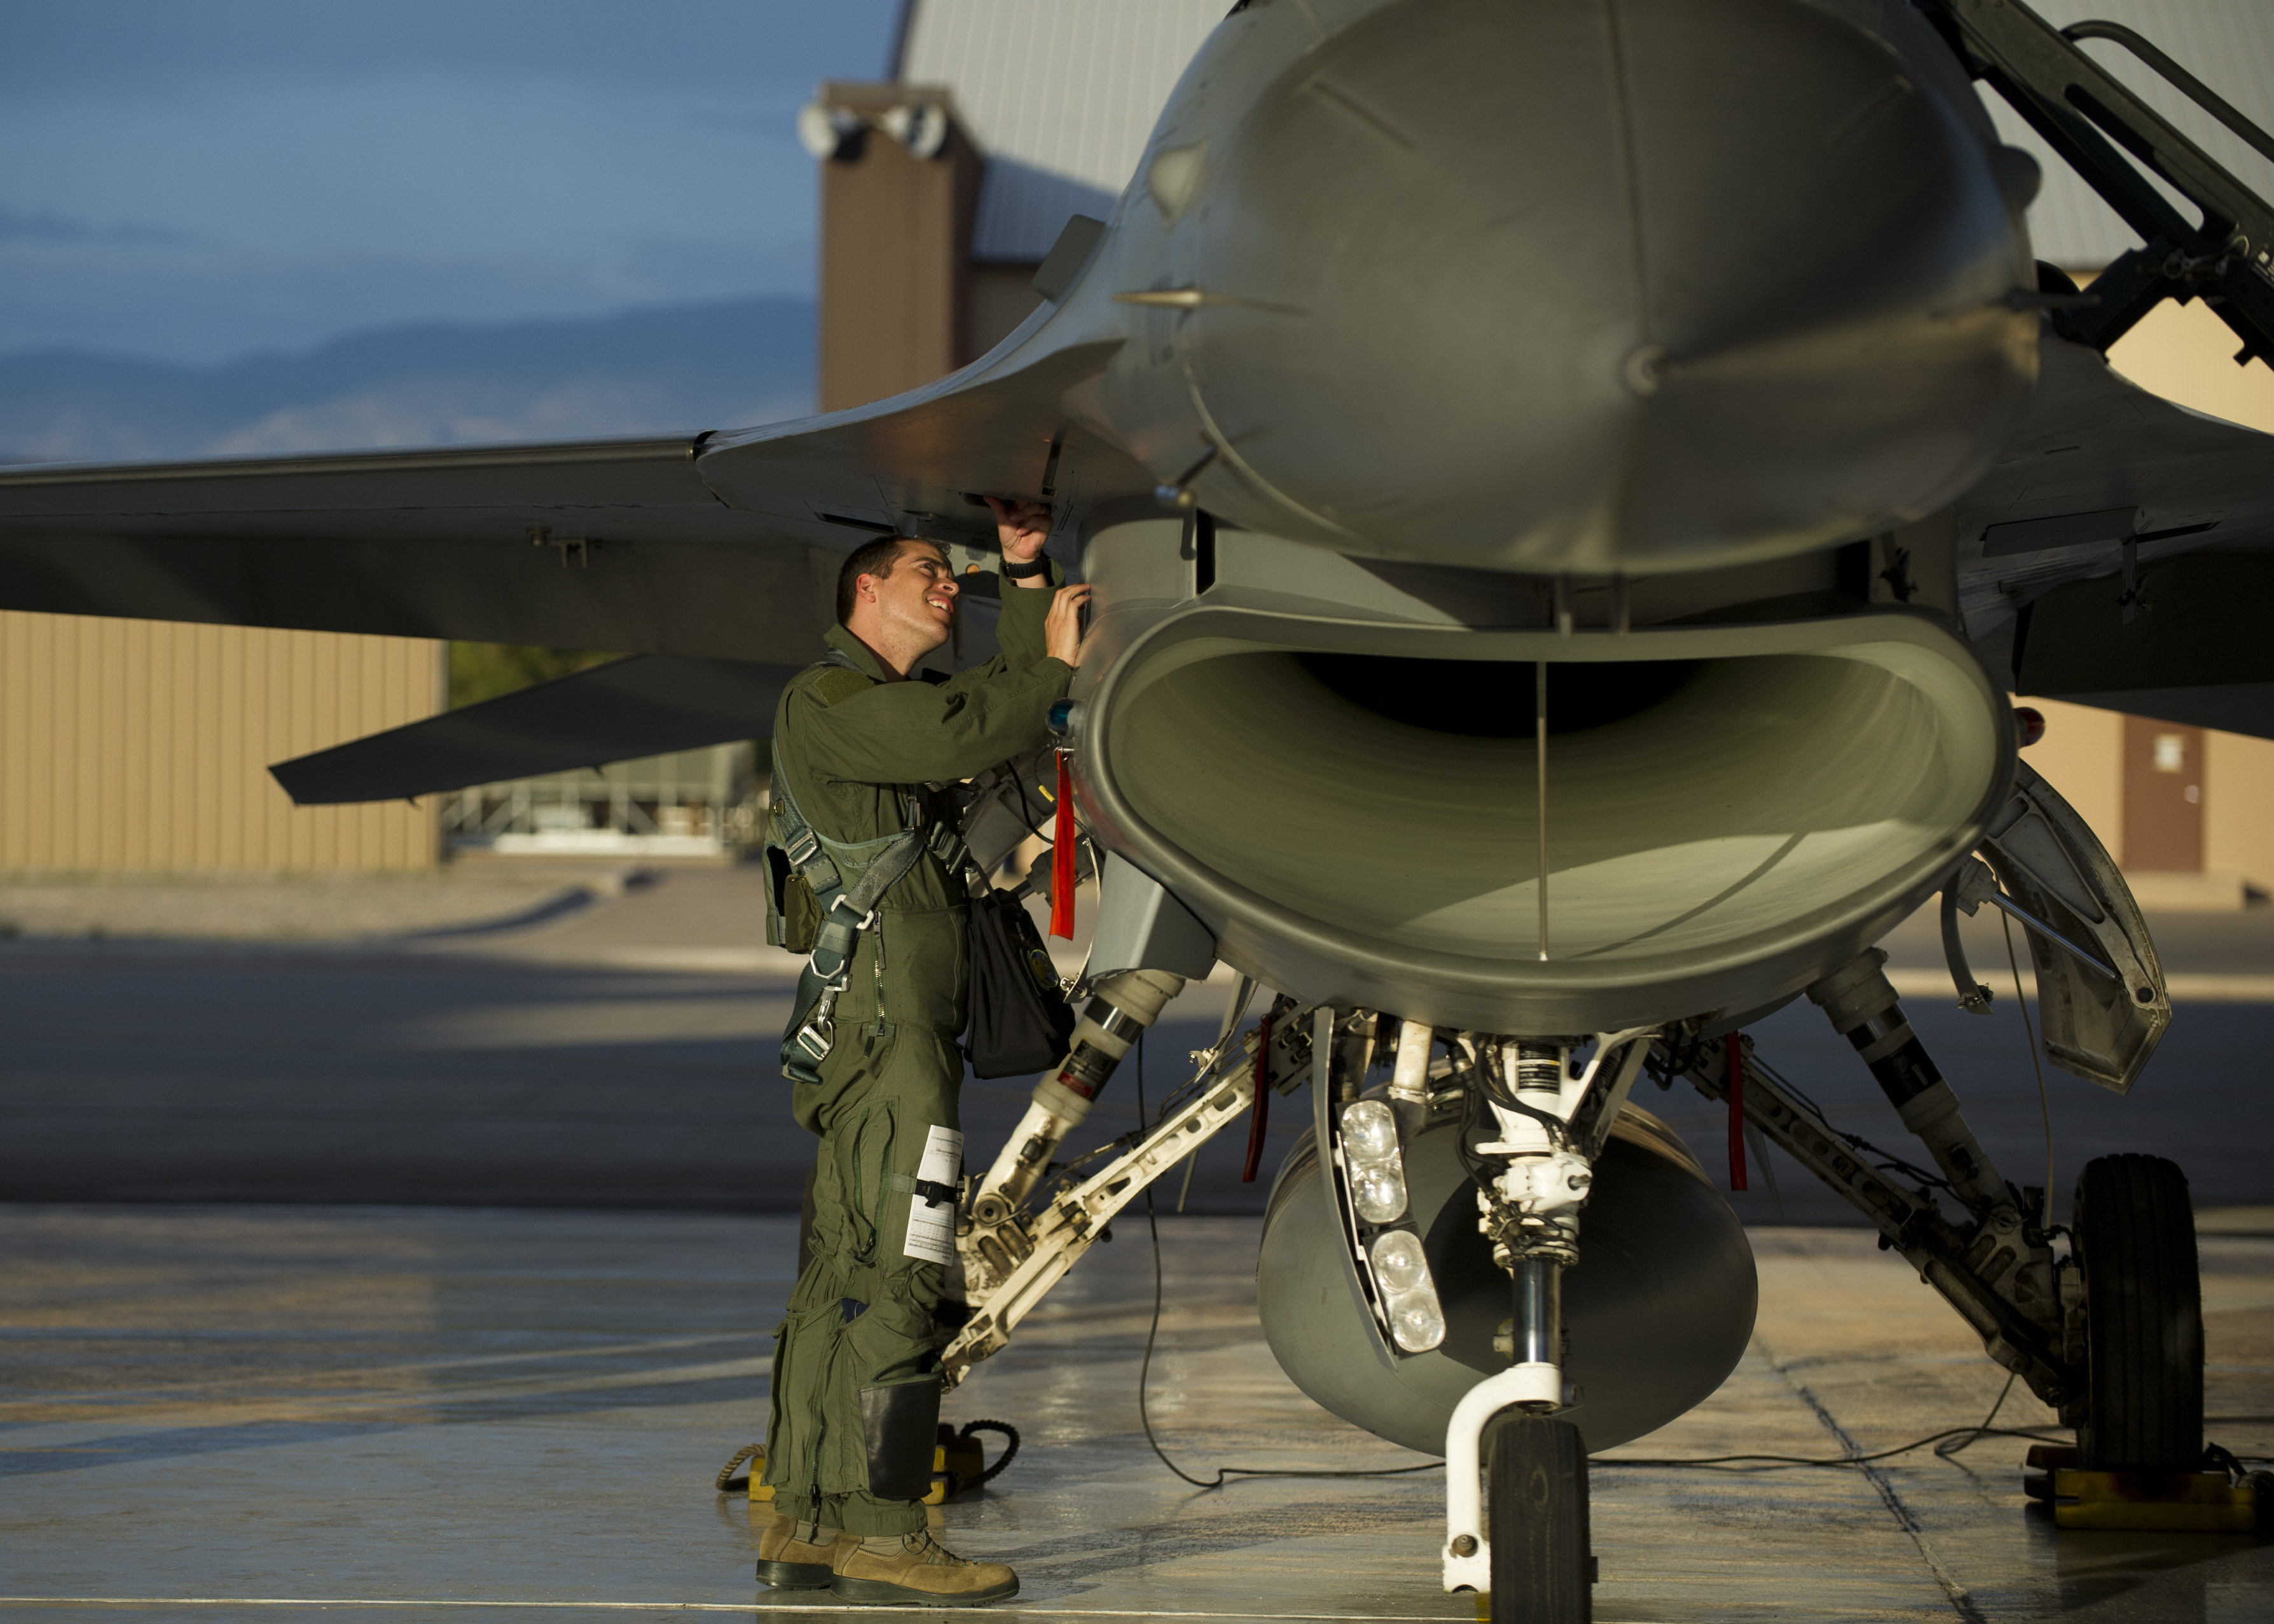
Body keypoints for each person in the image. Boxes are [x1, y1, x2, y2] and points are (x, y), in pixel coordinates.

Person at [756, 497, 1087, 1606]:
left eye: (953, 574)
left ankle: (805, 1519)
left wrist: (1026, 577)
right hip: (893, 1043)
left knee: (840, 1270)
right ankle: (887, 1530)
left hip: (887, 1033)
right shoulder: (833, 700)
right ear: (865, 593)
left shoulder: (885, 700)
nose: (947, 585)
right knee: (904, 1267)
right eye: (923, 572)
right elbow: (976, 732)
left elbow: (978, 707)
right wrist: (1050, 667)